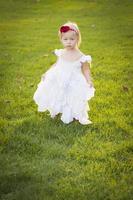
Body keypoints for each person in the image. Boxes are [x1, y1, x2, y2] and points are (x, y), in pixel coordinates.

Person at [33, 21, 96, 125]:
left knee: (73, 96)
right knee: (58, 94)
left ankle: (73, 113)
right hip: (60, 78)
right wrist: (47, 73)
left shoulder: (82, 56)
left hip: (74, 80)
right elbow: (56, 64)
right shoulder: (61, 53)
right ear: (61, 40)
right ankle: (58, 109)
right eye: (65, 39)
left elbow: (86, 69)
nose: (68, 42)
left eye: (72, 39)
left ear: (77, 39)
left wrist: (89, 80)